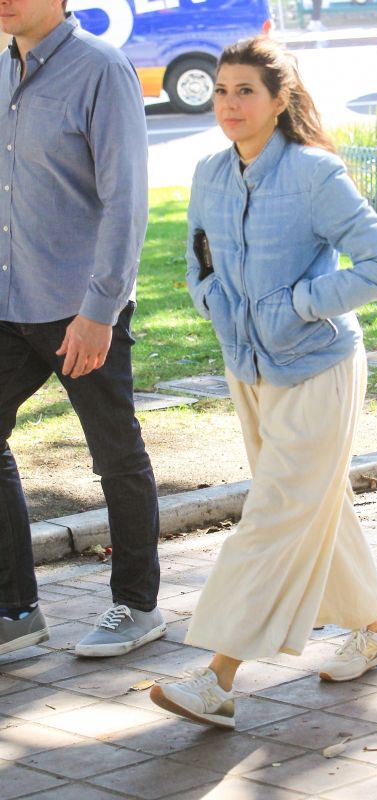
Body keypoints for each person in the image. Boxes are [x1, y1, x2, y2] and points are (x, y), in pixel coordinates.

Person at [150, 36, 377, 729]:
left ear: (279, 100)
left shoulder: (314, 174)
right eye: (221, 91)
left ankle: (216, 676)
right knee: (310, 505)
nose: (229, 104)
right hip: (249, 371)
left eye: (245, 92)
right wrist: (212, 301)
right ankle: (373, 629)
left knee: (272, 517)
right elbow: (197, 256)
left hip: (318, 367)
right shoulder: (208, 172)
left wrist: (294, 306)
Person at [0, 0, 165, 659]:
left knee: (115, 455)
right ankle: (17, 610)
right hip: (10, 303)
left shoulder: (100, 69)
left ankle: (137, 605)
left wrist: (101, 310)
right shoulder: (4, 72)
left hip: (80, 308)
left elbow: (127, 198)